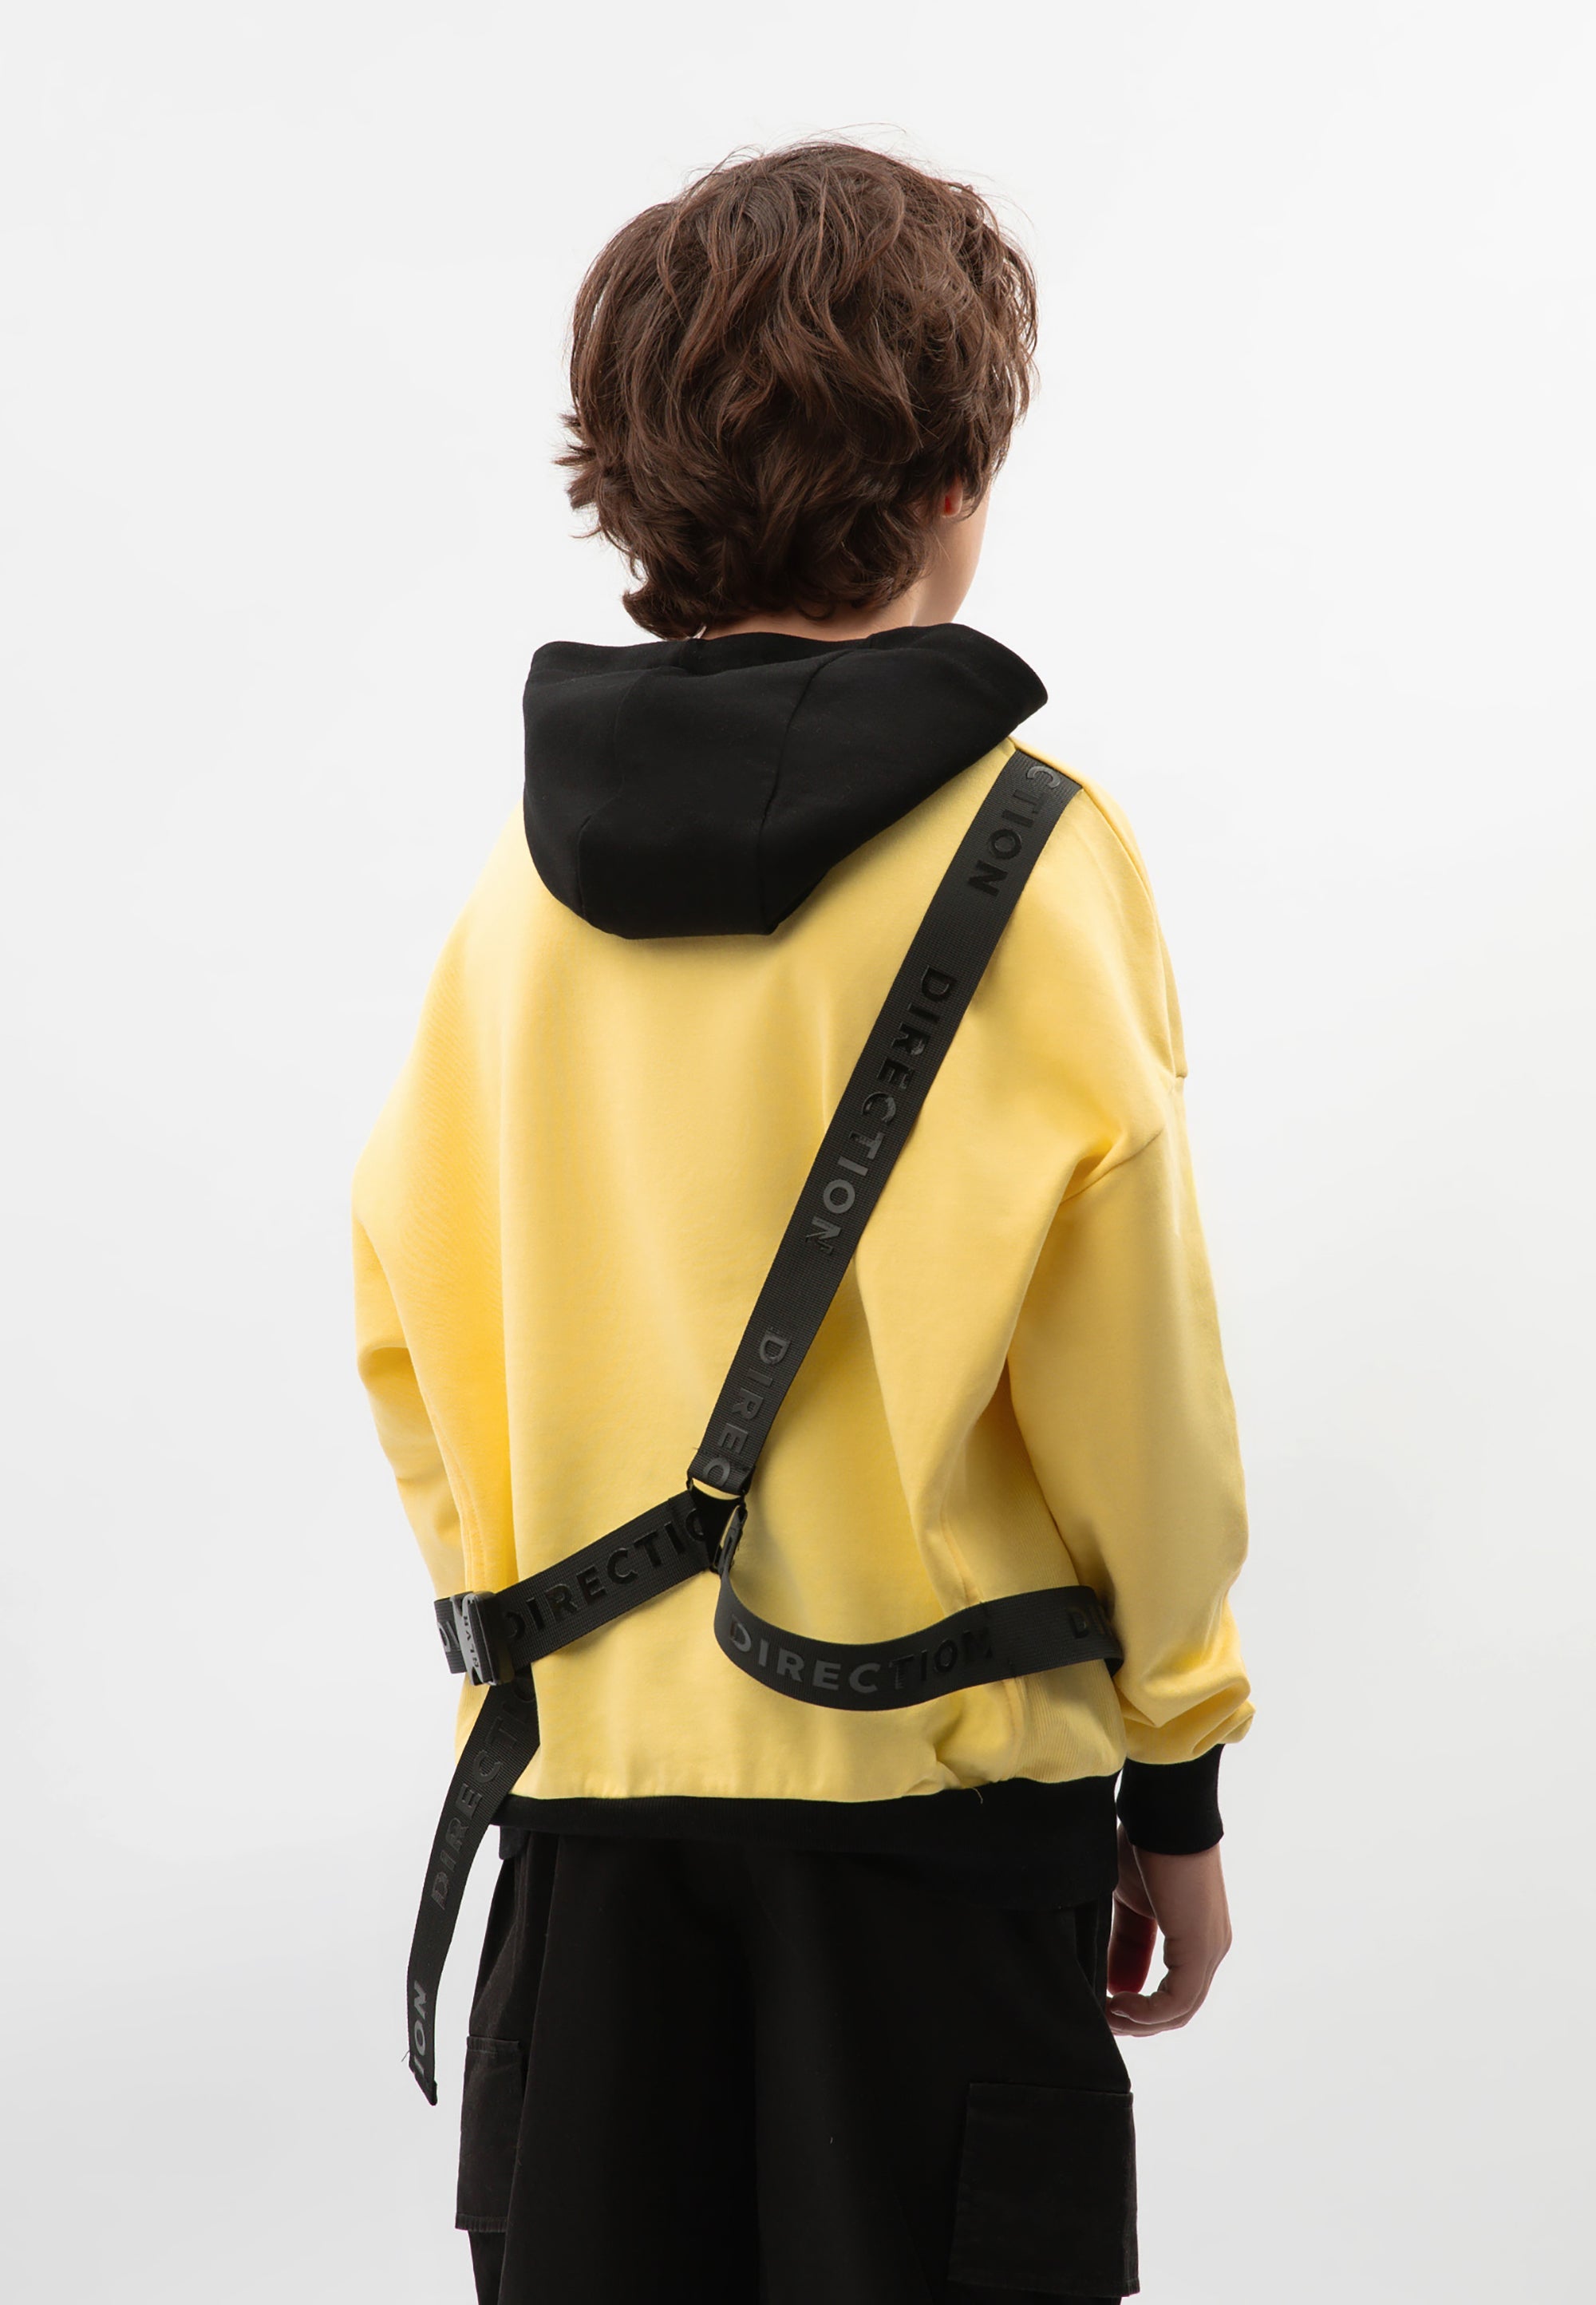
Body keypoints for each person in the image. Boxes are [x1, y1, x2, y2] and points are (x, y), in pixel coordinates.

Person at [353, 137, 1252, 2305]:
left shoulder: (516, 903)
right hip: (936, 1851)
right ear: (956, 482)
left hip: (587, 1842)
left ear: (634, 487)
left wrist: (557, 1666)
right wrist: (1179, 1781)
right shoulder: (1035, 858)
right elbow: (1134, 1382)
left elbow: (402, 1330)